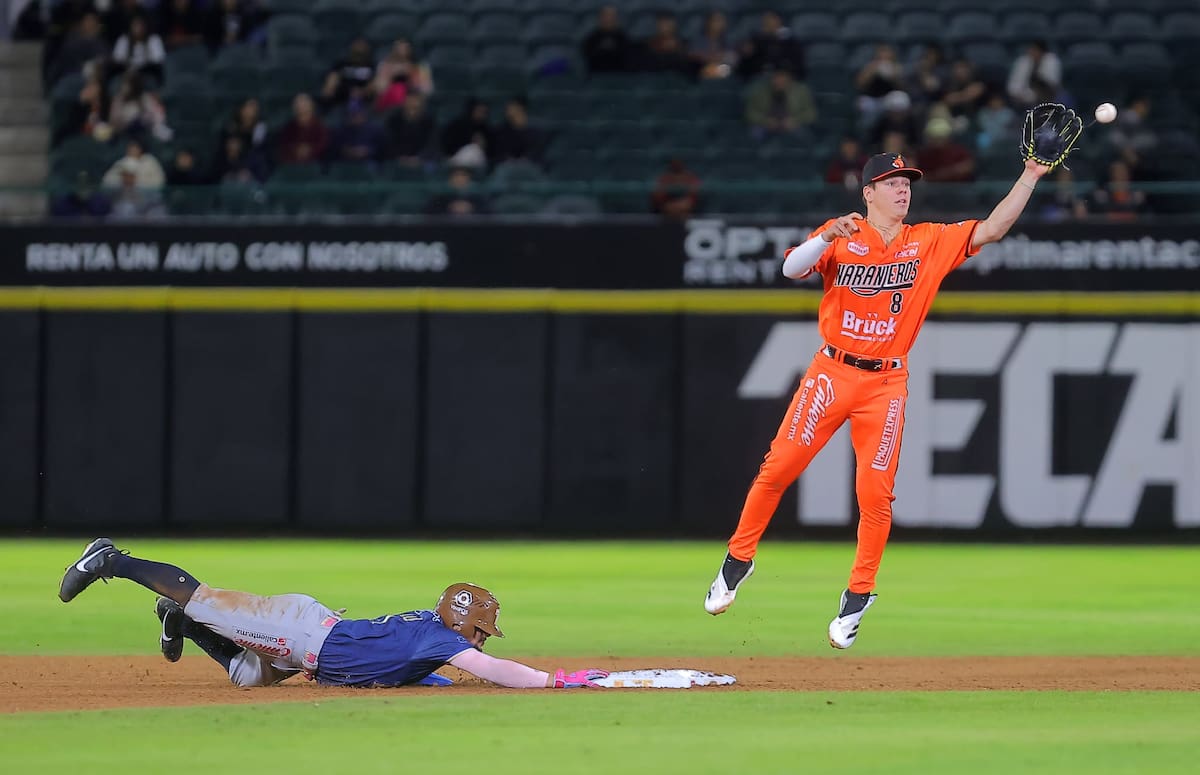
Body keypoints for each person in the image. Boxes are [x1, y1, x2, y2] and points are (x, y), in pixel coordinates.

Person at [703, 144, 1056, 648]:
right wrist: (826, 233)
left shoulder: (928, 241)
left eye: (907, 182)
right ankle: (737, 562)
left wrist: (1029, 176)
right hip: (832, 371)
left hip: (886, 383)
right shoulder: (842, 233)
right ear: (868, 192)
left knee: (875, 492)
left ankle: (859, 594)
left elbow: (992, 229)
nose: (903, 188)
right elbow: (790, 270)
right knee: (778, 468)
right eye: (892, 183)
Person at [58, 538, 608, 689]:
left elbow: (403, 664)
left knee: (249, 676)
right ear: (463, 624)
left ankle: (180, 619)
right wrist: (550, 680)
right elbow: (495, 671)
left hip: (309, 646)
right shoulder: (442, 639)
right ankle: (114, 559)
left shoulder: (431, 635)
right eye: (481, 630)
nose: (483, 641)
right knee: (203, 595)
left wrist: (431, 683)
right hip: (299, 633)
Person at [581, 5, 631, 74]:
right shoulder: (591, 38)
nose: (608, 19)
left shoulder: (624, 38)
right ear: (600, 18)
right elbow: (589, 57)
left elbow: (627, 58)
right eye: (606, 16)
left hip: (619, 76)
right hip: (596, 76)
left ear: (616, 19)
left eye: (611, 17)